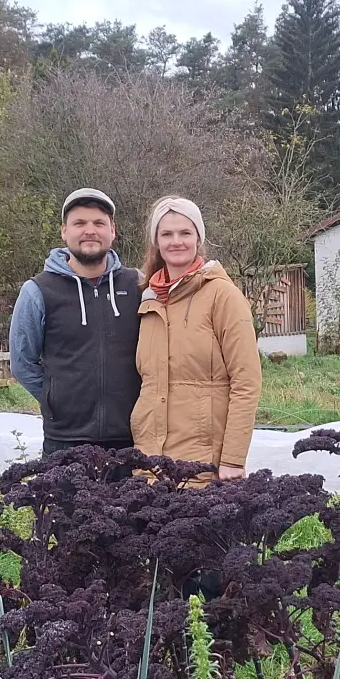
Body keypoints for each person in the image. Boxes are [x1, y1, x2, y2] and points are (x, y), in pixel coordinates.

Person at [131, 196, 262, 482]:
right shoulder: (148, 300)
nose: (176, 241)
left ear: (198, 239)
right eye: (166, 234)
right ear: (157, 242)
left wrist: (232, 458)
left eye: (185, 233)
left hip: (201, 465)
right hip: (150, 463)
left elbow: (246, 381)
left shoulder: (223, 296)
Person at [9, 188, 142, 456]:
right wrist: (56, 400)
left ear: (113, 231)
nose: (89, 231)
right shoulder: (38, 291)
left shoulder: (138, 285)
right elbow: (22, 363)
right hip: (65, 442)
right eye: (79, 223)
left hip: (132, 440)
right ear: (64, 232)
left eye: (99, 223)